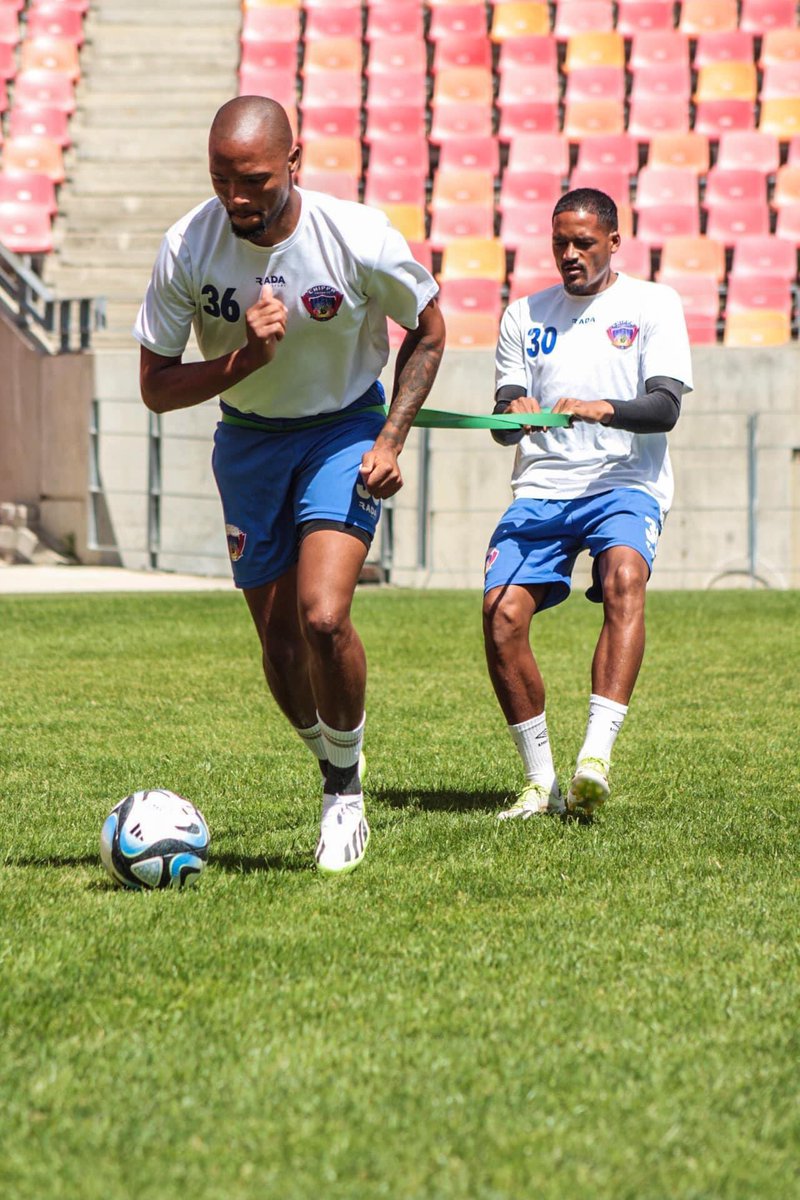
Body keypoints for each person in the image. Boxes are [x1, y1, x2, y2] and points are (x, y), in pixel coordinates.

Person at [134, 96, 445, 874]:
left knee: (323, 616)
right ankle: (333, 757)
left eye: (255, 180)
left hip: (343, 432)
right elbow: (155, 385)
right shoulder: (187, 246)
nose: (236, 199)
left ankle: (344, 794)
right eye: (221, 180)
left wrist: (390, 435)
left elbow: (432, 329)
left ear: (294, 163)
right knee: (278, 644)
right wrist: (243, 360)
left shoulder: (357, 237)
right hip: (247, 442)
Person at [483, 188, 692, 820]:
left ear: (613, 242)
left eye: (583, 243)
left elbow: (665, 408)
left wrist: (604, 407)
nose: (569, 255)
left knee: (625, 575)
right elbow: (500, 420)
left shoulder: (654, 304)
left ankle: (593, 760)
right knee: (500, 617)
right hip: (543, 488)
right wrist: (512, 415)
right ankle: (541, 782)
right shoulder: (523, 314)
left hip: (624, 483)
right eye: (559, 243)